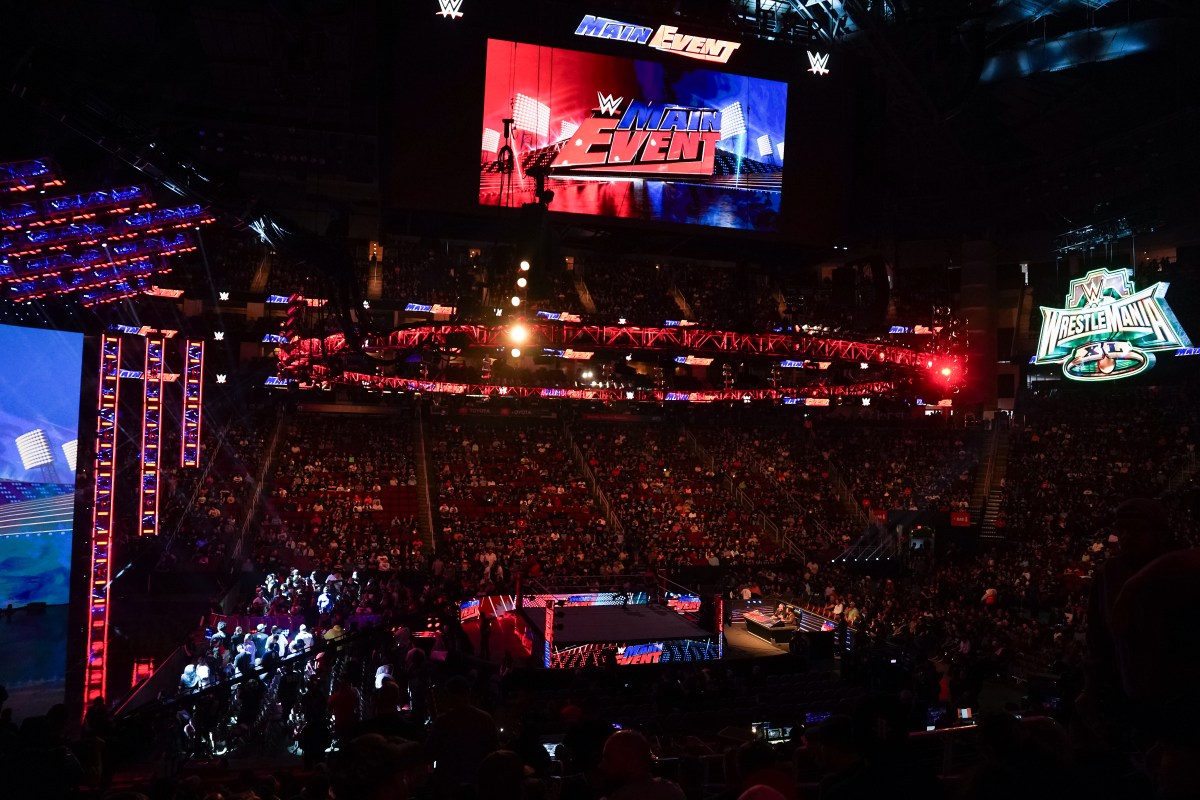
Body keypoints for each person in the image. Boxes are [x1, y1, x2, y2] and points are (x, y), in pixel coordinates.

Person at [426, 676, 499, 797]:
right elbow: (494, 750)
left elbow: (429, 752)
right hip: (478, 783)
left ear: (450, 695)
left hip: (449, 786)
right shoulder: (485, 719)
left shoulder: (443, 721)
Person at [600, 730, 685, 800]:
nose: (601, 765)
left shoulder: (623, 796)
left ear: (632, 762)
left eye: (609, 759)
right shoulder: (672, 791)